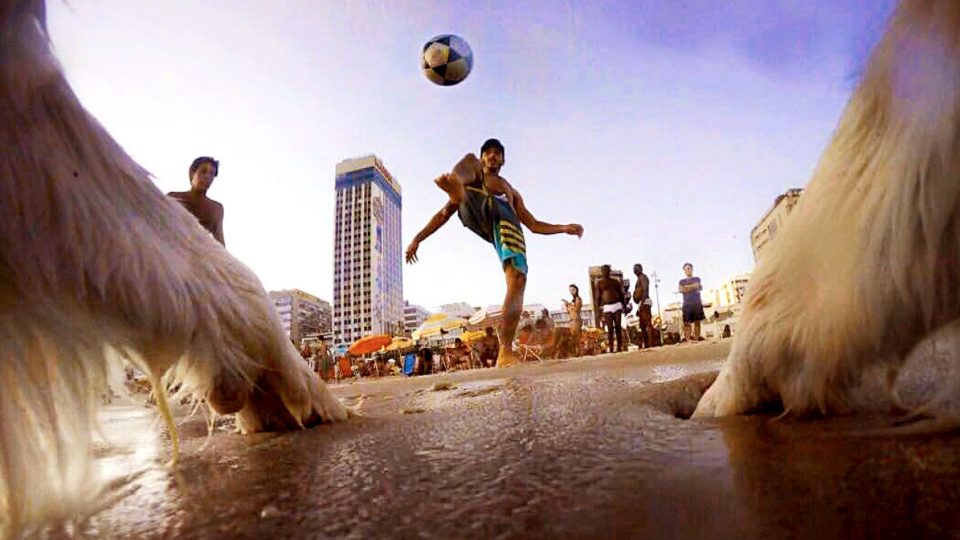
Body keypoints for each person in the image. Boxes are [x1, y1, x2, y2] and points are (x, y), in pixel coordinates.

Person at [405, 138, 583, 367]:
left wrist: (563, 228)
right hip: (473, 204)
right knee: (467, 163)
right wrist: (417, 239)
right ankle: (456, 190)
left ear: (503, 160)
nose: (492, 156)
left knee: (517, 282)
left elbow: (533, 223)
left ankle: (505, 353)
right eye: (488, 152)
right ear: (483, 158)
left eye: (497, 153)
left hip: (505, 224)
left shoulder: (511, 190)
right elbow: (442, 216)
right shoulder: (476, 171)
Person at [167, 156, 225, 245]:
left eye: (212, 174)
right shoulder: (174, 198)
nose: (207, 177)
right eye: (203, 171)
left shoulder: (216, 208)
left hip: (201, 254)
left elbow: (220, 241)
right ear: (192, 173)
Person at [594, 265, 625, 353]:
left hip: (617, 305)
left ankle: (619, 346)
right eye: (604, 270)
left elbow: (621, 294)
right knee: (610, 328)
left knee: (618, 326)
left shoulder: (615, 282)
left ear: (609, 271)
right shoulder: (599, 283)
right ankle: (611, 348)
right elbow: (597, 297)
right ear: (602, 272)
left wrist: (624, 306)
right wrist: (598, 311)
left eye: (607, 270)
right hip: (607, 307)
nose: (605, 272)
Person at [679, 262, 706, 342]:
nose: (687, 270)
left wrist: (687, 288)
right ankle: (688, 340)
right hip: (687, 303)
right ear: (684, 271)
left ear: (692, 269)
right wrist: (693, 287)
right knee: (686, 323)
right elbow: (681, 290)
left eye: (689, 268)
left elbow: (698, 286)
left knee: (697, 322)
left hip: (697, 303)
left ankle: (696, 339)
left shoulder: (697, 279)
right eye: (685, 269)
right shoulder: (681, 281)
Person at [632, 264, 655, 349]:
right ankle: (646, 344)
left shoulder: (643, 277)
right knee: (642, 326)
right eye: (634, 269)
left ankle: (650, 343)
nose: (634, 270)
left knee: (647, 324)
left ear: (640, 269)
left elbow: (645, 290)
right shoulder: (640, 278)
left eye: (636, 269)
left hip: (644, 302)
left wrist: (642, 303)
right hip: (641, 302)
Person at [562, 284, 584, 356]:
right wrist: (567, 305)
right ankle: (576, 353)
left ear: (576, 290)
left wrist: (568, 304)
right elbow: (568, 311)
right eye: (570, 290)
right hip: (571, 320)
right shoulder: (572, 300)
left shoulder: (578, 298)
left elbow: (576, 309)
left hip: (576, 320)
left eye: (573, 290)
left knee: (577, 337)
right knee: (573, 337)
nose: (571, 292)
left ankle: (580, 353)